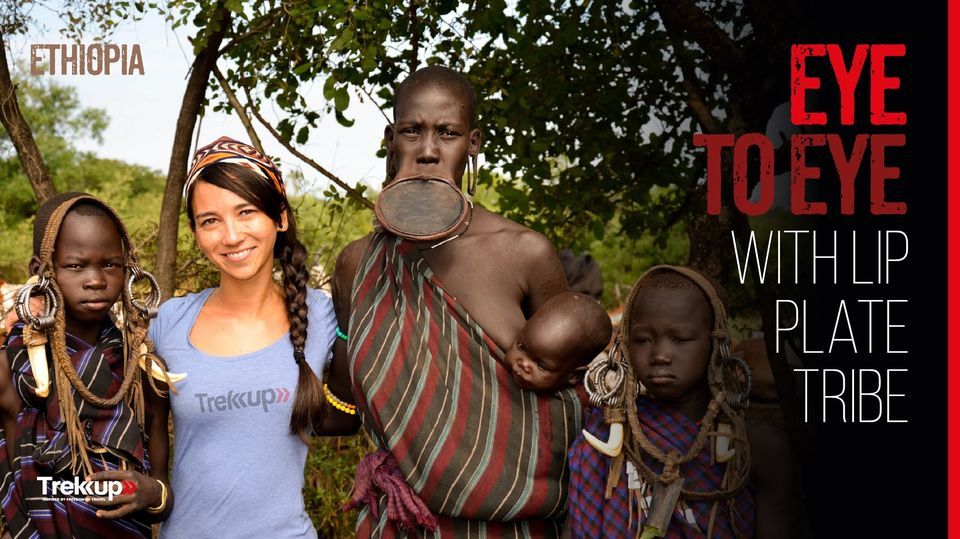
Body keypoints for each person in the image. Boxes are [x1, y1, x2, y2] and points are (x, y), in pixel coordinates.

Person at [326, 65, 580, 536]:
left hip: (512, 526)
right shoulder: (357, 264)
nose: (427, 151)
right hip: (401, 522)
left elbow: (573, 394)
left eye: (447, 133)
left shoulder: (525, 252)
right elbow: (343, 402)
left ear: (473, 143)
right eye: (411, 131)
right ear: (390, 139)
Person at [148, 137, 337, 538]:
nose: (231, 236)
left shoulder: (320, 315)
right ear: (196, 231)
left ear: (280, 217)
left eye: (246, 211)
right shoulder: (168, 323)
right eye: (210, 220)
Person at [566, 265, 798, 538]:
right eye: (642, 340)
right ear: (625, 345)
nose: (660, 355)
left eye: (680, 339)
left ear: (717, 344)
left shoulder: (756, 447)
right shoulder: (602, 440)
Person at [0, 192, 173, 538]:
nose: (96, 280)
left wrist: (152, 493)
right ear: (41, 270)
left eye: (110, 264)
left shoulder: (143, 373)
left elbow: (163, 498)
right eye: (76, 265)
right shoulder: (12, 368)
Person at [504, 292, 612, 392]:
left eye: (541, 365)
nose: (524, 364)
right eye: (520, 346)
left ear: (574, 376)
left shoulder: (574, 407)